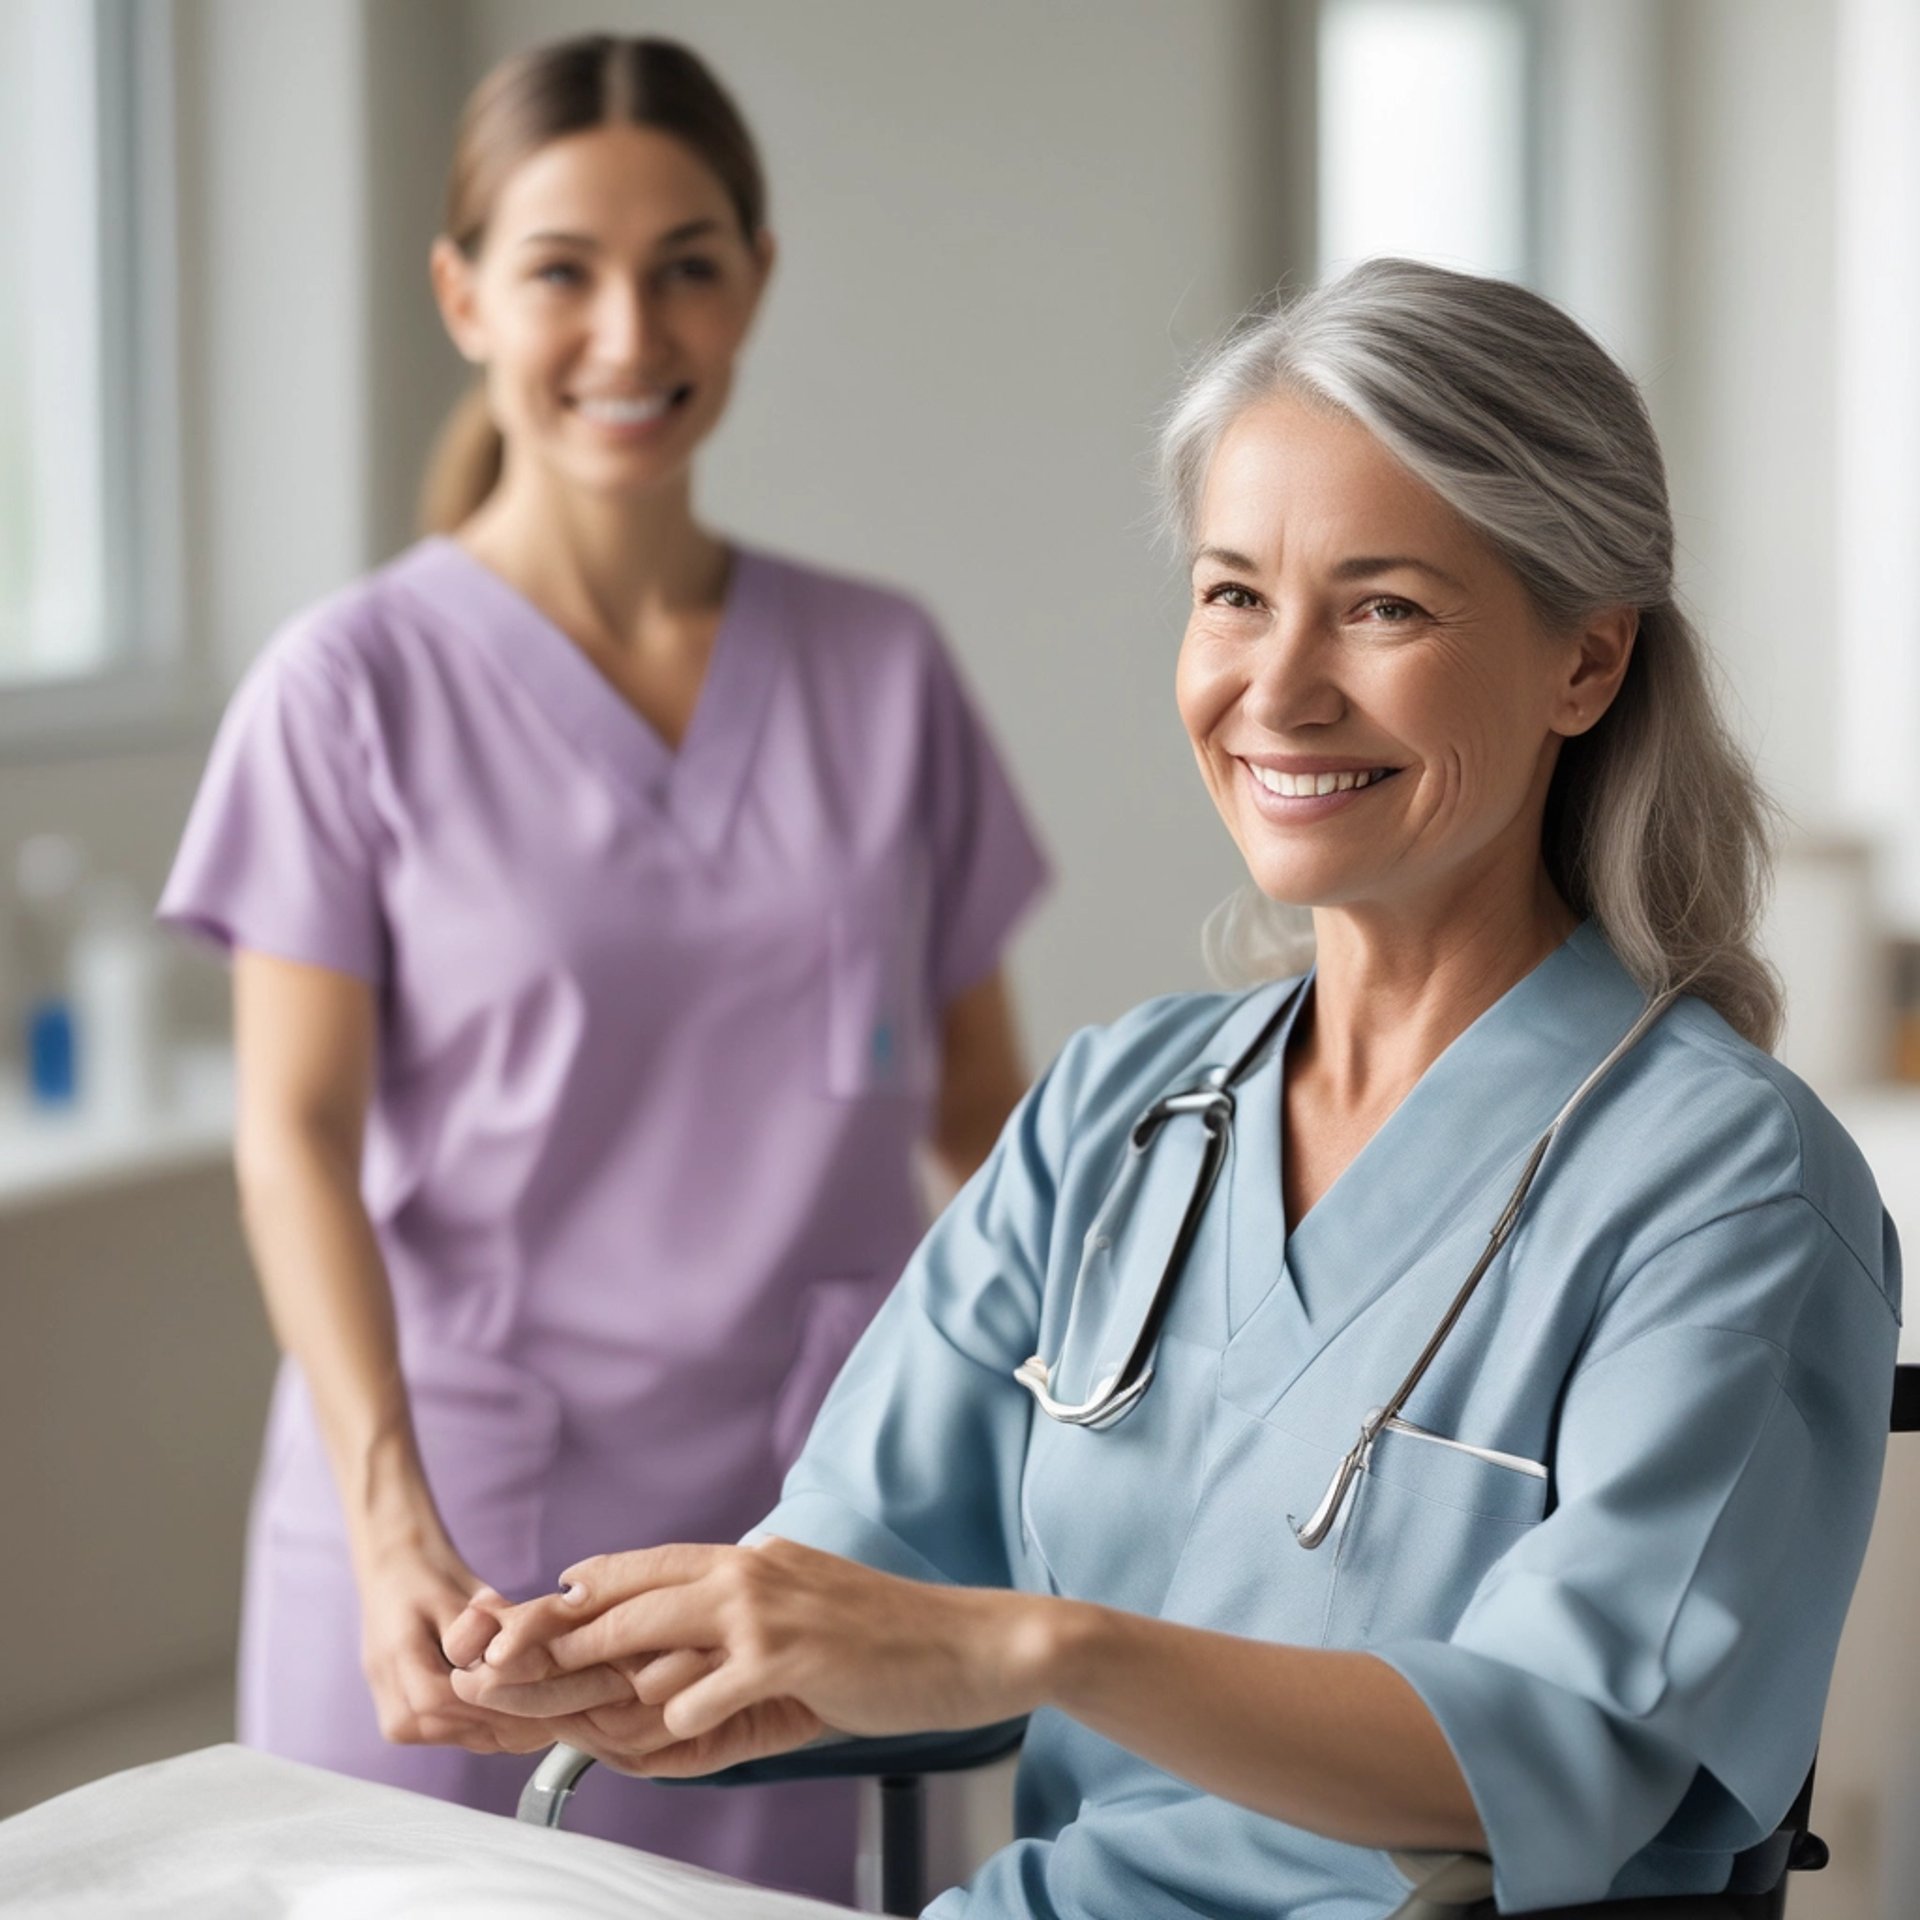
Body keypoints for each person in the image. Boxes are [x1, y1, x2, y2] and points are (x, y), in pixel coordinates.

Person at [441, 260, 1902, 1919]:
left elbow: (1571, 1740)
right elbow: (874, 1572)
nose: (1277, 693)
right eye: (1232, 596)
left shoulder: (1725, 1188)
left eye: (1385, 606)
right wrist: (661, 1664)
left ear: (1587, 665)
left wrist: (1041, 1648)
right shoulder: (1115, 1113)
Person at [158, 33, 1047, 1904]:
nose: (629, 332)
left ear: (757, 282)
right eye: (564, 267)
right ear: (465, 292)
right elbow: (291, 1138)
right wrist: (396, 1523)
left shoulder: (883, 674)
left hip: (792, 1540)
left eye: (687, 264)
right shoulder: (351, 690)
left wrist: (1110, 1453)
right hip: (455, 1543)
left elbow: (991, 1131)